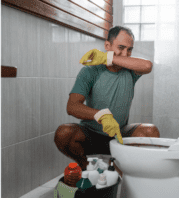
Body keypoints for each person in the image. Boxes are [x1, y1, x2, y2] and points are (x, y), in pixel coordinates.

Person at [54, 26, 160, 175]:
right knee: (64, 133)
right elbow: (72, 106)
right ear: (107, 46)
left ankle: (118, 167)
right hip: (92, 134)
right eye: (121, 48)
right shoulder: (91, 71)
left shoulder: (130, 70)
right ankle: (88, 168)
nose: (125, 54)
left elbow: (147, 65)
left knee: (150, 132)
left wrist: (108, 57)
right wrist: (101, 115)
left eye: (129, 50)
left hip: (119, 133)